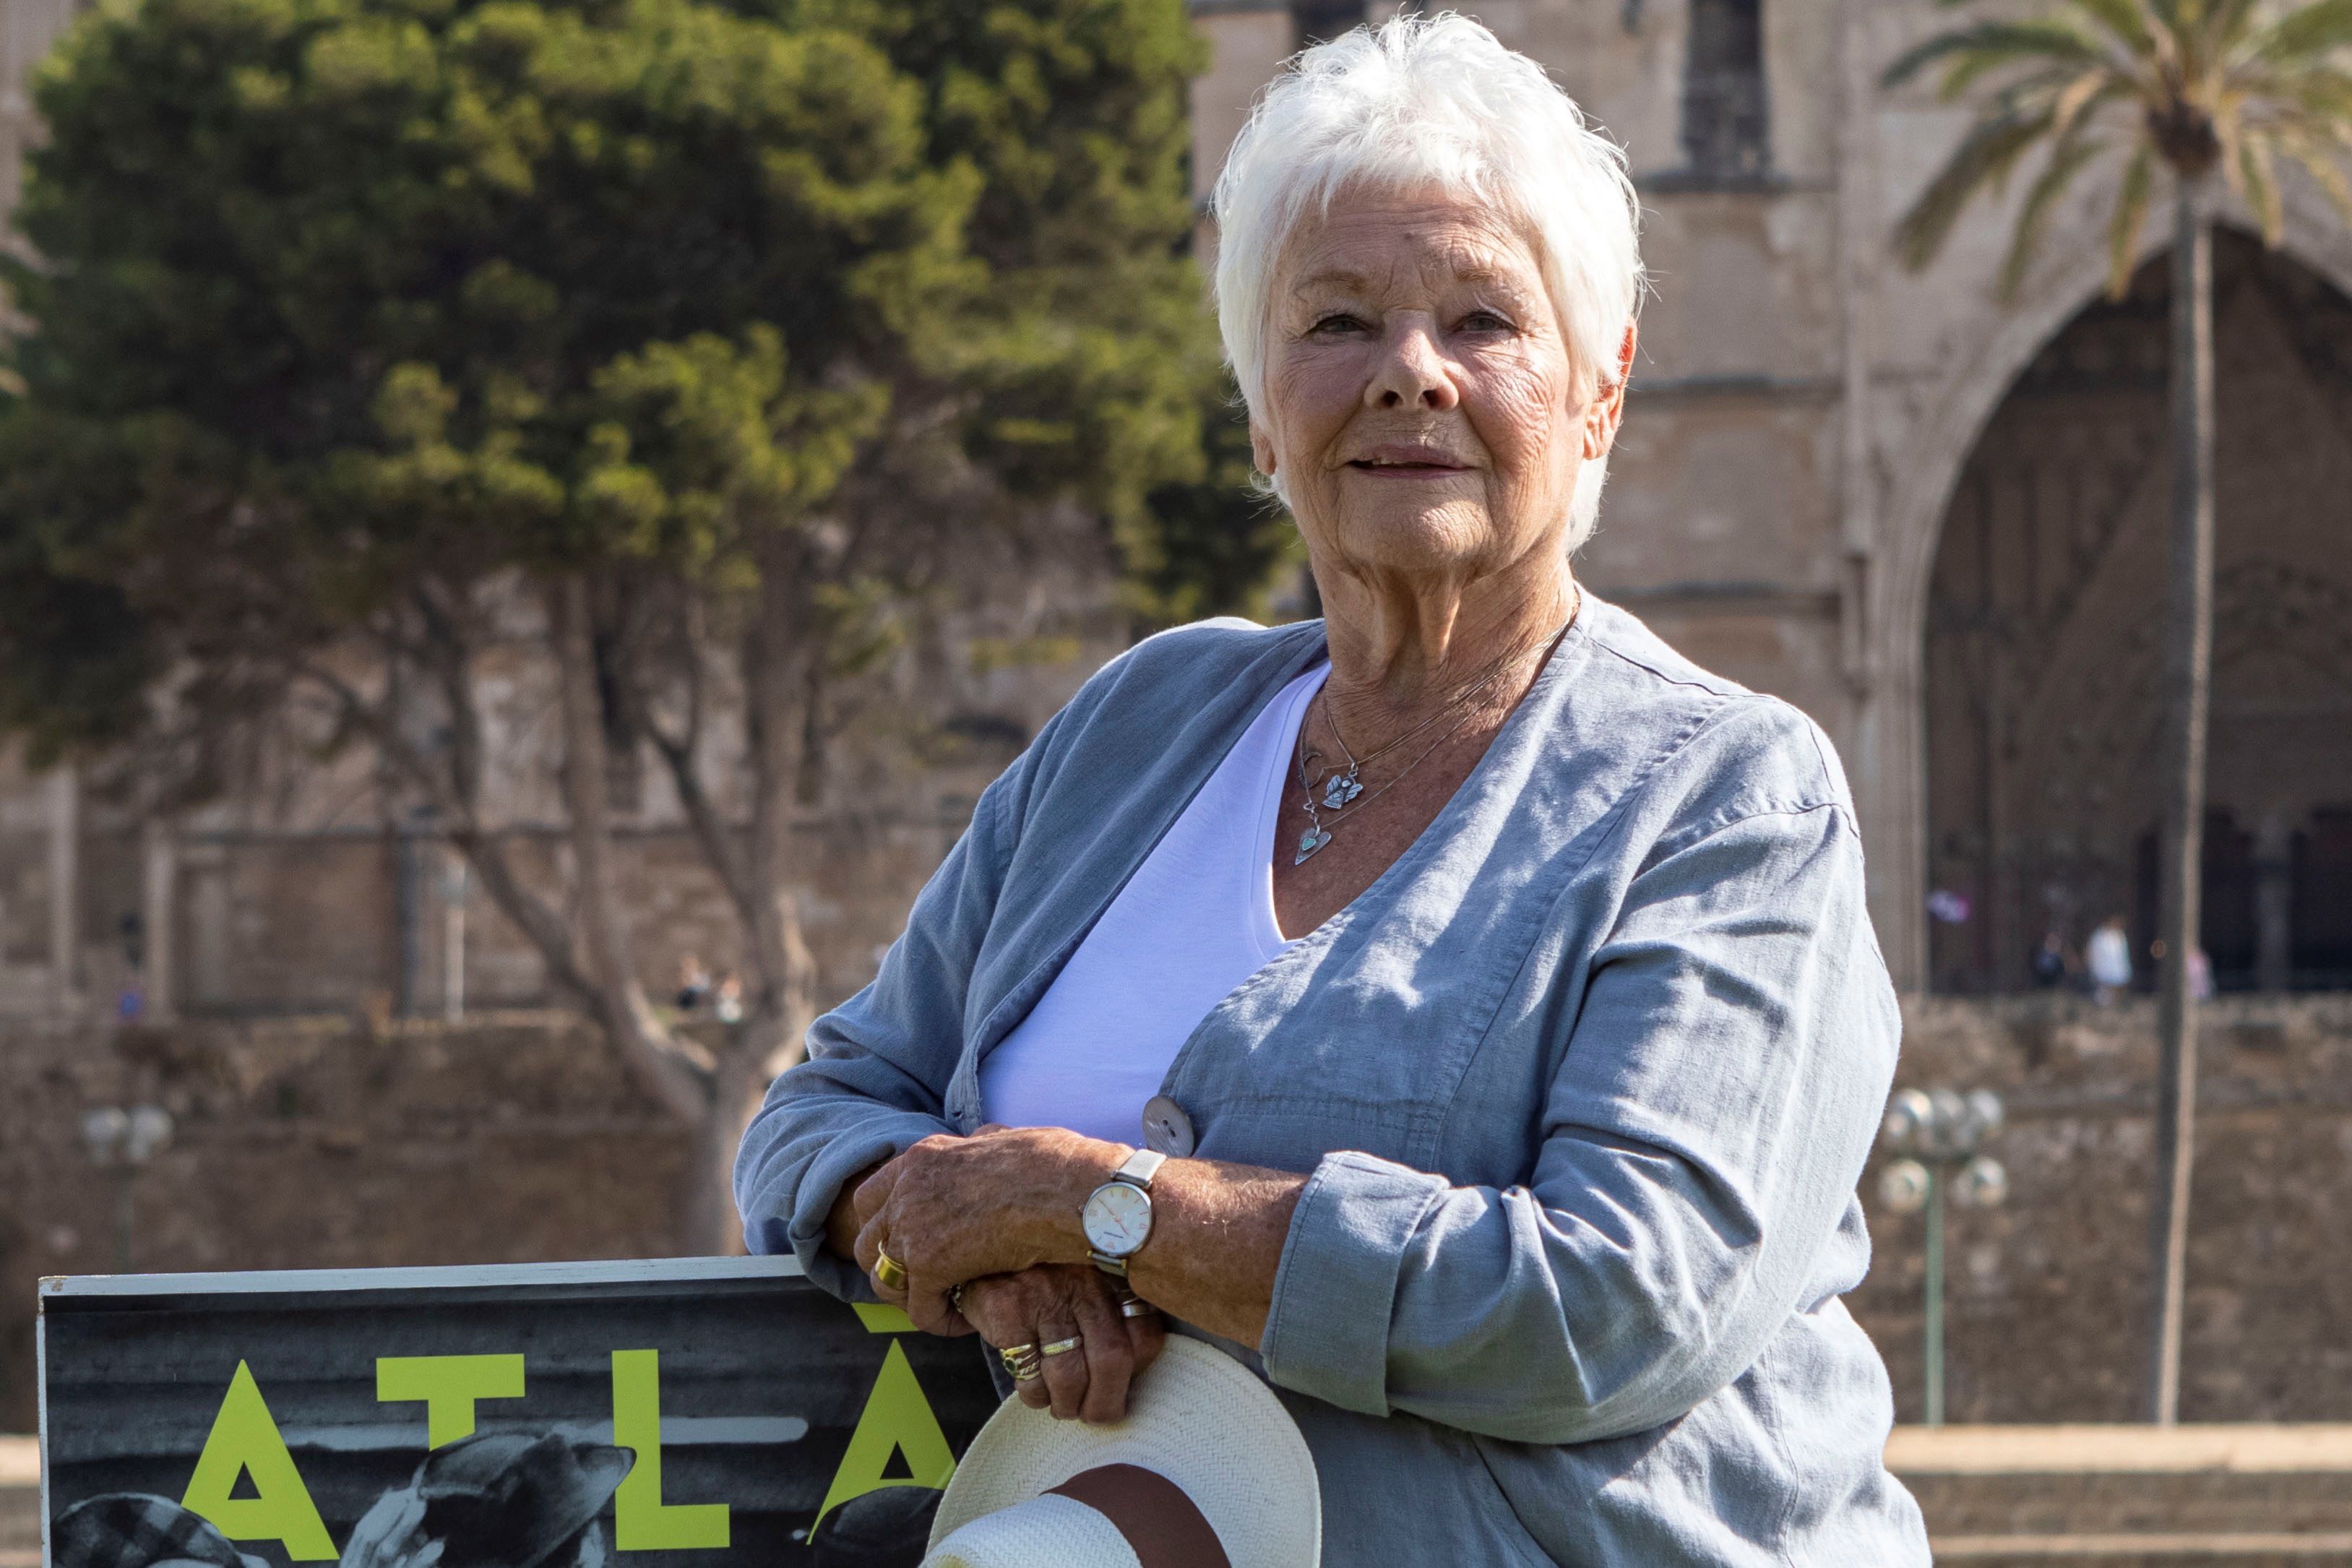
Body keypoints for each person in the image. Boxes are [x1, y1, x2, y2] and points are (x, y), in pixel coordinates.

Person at [736, 15, 1928, 1565]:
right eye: (1336, 323)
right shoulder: (1134, 728)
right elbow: (821, 1107)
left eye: (1483, 321)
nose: (1407, 378)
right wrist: (950, 1229)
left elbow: (1612, 1305)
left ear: (1599, 390)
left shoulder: (1722, 800)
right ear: (1257, 403)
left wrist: (1105, 1208)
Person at [2088, 914, 2133, 1004]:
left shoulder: (2120, 936)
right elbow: (2094, 954)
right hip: (2103, 971)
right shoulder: (2099, 936)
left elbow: (2122, 957)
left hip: (2117, 972)